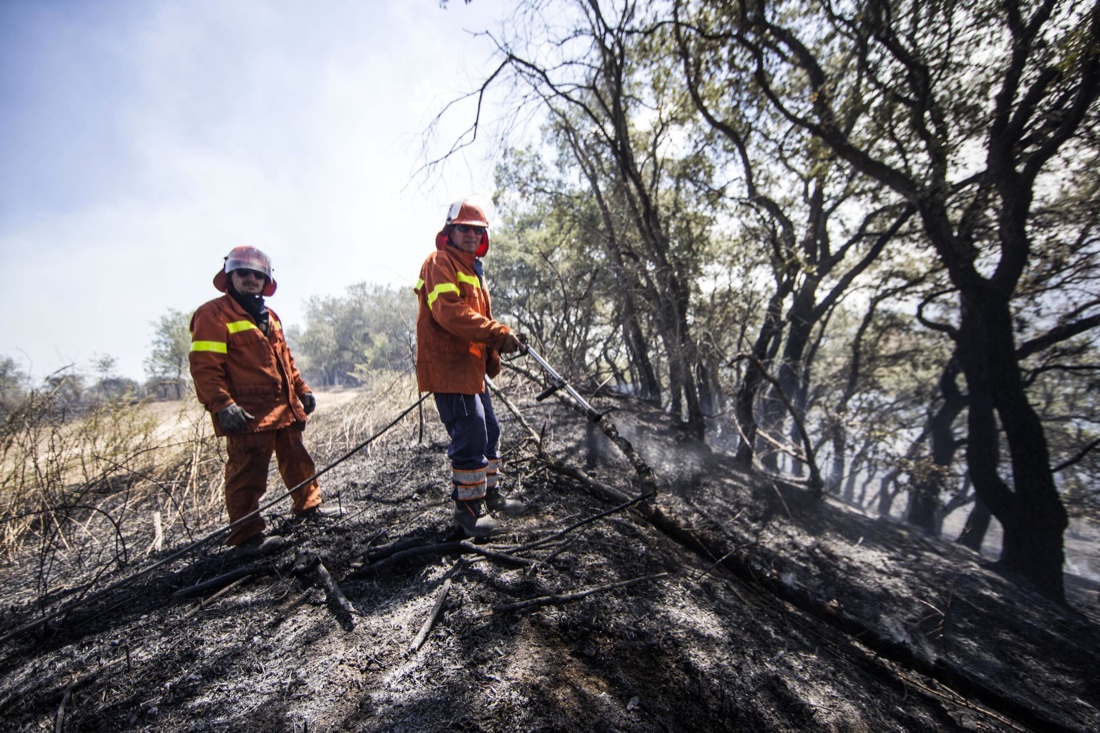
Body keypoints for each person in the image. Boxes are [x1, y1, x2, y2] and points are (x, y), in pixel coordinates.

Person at [189, 245, 342, 556]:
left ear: (266, 281)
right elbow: (205, 368)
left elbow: (285, 360)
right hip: (248, 414)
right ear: (230, 276)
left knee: (298, 461)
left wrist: (302, 390)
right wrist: (222, 405)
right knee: (247, 473)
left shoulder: (271, 317)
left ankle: (309, 509)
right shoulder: (213, 314)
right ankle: (246, 537)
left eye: (257, 275)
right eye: (243, 273)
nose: (251, 279)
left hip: (284, 408)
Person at [415, 199, 526, 538]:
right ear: (449, 231)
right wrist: (497, 334)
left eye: (477, 230)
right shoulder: (439, 263)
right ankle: (467, 514)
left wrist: (500, 340)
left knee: (490, 429)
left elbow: (481, 318)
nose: (471, 235)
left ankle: (490, 494)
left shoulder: (474, 272)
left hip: (471, 369)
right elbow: (449, 312)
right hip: (450, 369)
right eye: (464, 228)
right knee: (471, 432)